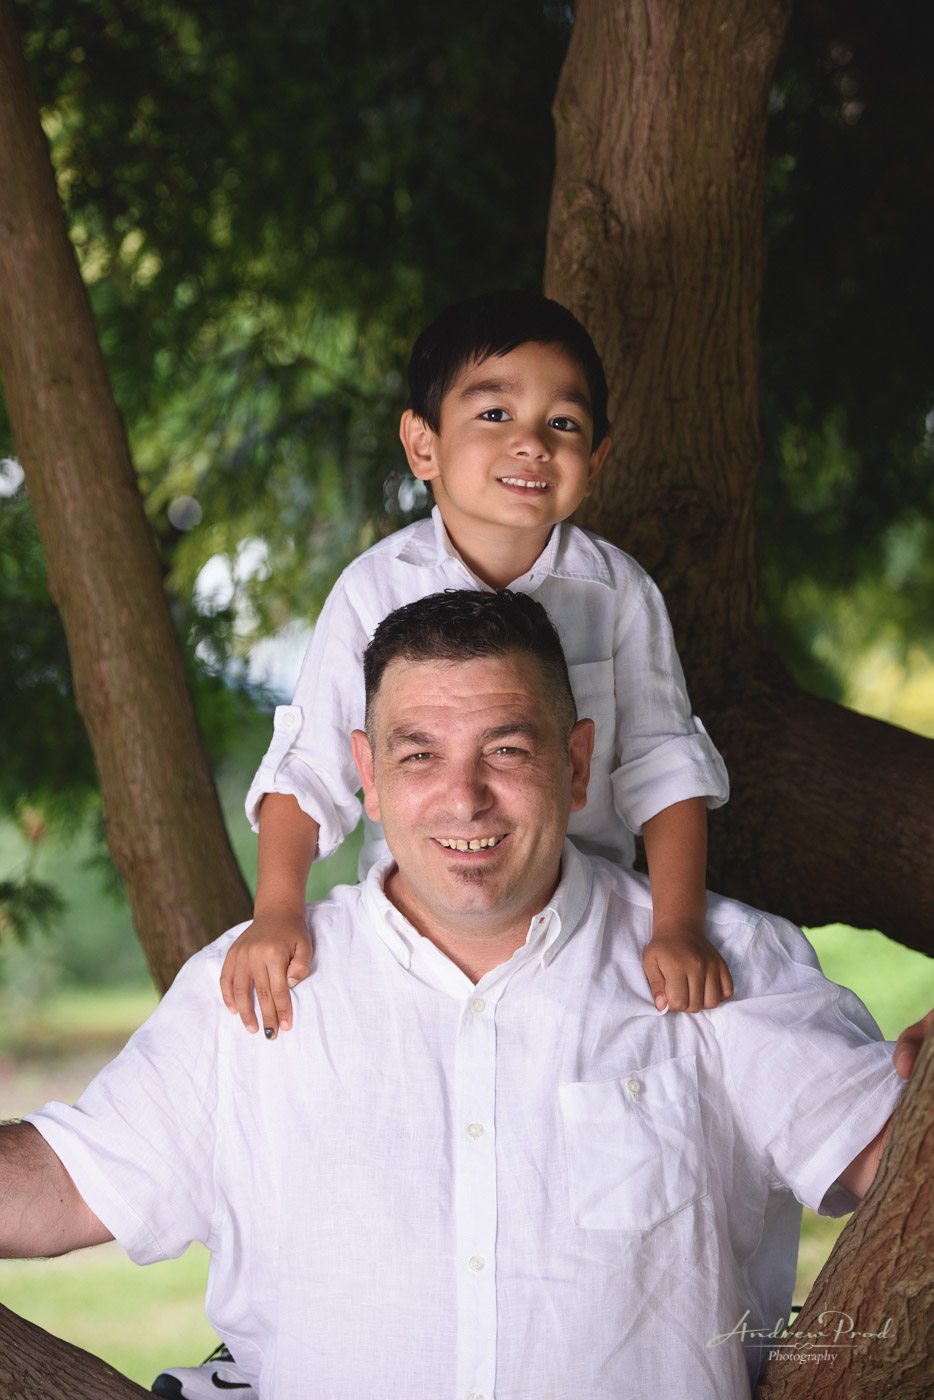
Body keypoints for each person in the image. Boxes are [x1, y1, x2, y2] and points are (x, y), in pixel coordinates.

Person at [1, 590, 927, 1400]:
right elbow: (58, 1189)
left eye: (507, 750)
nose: (464, 799)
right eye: (419, 757)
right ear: (365, 775)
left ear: (574, 764)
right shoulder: (250, 995)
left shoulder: (726, 968)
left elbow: (901, 1172)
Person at [225, 290, 732, 1045]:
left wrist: (679, 926)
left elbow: (664, 763)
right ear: (423, 444)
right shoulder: (375, 587)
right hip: (426, 912)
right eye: (495, 414)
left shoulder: (617, 591)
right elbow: (311, 766)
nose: (532, 443)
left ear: (594, 461)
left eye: (563, 424)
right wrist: (276, 914)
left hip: (581, 915)